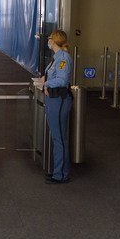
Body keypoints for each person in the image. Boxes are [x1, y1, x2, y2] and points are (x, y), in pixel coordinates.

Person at [44, 29, 73, 184]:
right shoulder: (55, 58)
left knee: (60, 137)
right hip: (52, 100)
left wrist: (46, 83)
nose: (48, 40)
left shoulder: (63, 58)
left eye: (49, 38)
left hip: (59, 100)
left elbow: (62, 80)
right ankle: (58, 171)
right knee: (57, 137)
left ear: (54, 40)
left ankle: (61, 174)